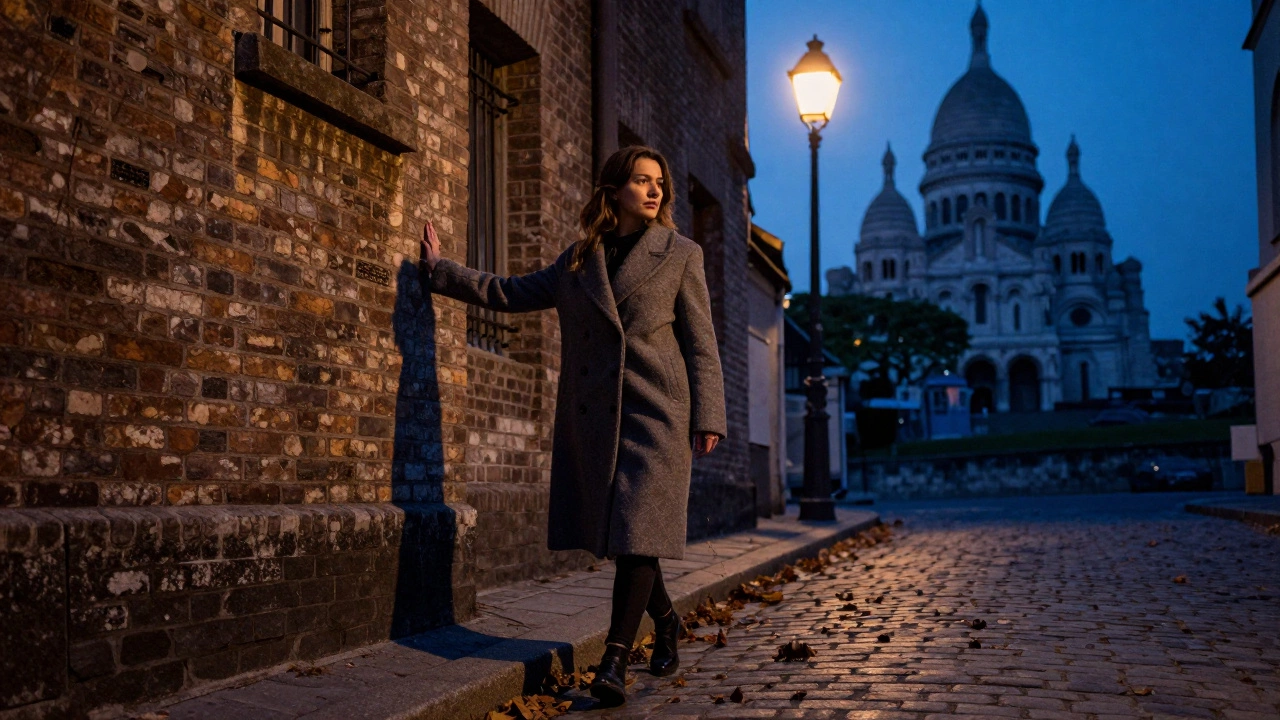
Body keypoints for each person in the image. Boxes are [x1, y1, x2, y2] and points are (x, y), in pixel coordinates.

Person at [419, 145, 727, 706]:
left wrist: (709, 415)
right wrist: (441, 272)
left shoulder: (681, 254)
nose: (655, 191)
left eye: (659, 182)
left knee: (637, 533)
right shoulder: (579, 262)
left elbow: (701, 344)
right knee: (632, 536)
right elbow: (510, 293)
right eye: (641, 181)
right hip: (597, 419)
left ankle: (613, 662)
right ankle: (667, 622)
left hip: (658, 410)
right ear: (614, 192)